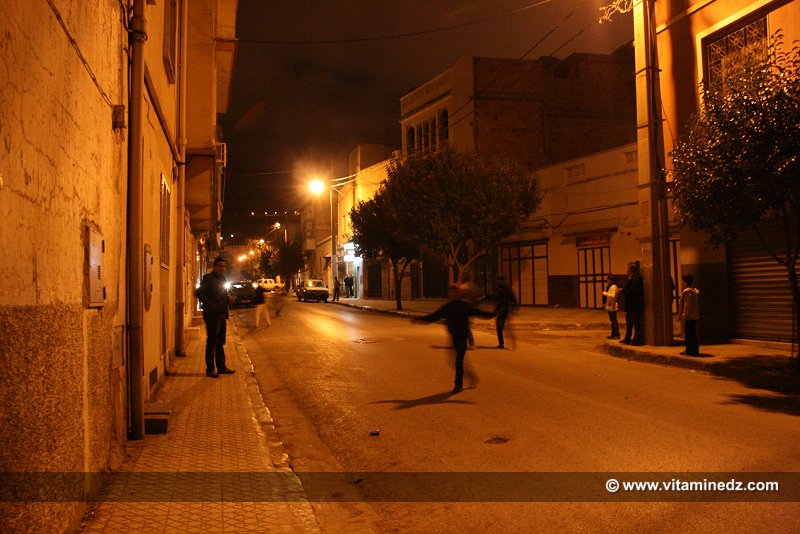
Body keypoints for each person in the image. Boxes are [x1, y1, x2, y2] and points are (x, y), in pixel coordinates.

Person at [414, 284, 495, 393]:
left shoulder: (464, 306)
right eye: (451, 292)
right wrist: (419, 319)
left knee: (458, 361)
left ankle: (458, 385)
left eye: (455, 292)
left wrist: (493, 314)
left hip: (462, 336)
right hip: (454, 337)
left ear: (459, 294)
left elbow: (478, 313)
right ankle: (471, 377)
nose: (452, 294)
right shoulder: (447, 307)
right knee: (456, 361)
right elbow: (434, 316)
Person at [195, 257, 236, 378]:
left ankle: (222, 367)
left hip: (222, 314)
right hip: (212, 315)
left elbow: (221, 295)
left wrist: (229, 299)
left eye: (223, 267)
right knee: (212, 342)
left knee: (220, 342)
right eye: (220, 266)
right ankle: (210, 369)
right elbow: (199, 293)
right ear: (214, 267)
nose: (222, 269)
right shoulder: (208, 279)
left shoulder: (222, 278)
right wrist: (210, 305)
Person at [482, 275, 518, 349]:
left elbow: (492, 296)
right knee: (504, 326)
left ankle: (501, 343)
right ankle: (510, 337)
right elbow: (513, 299)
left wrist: (484, 298)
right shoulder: (507, 288)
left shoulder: (498, 288)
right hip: (506, 309)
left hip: (500, 310)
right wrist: (514, 309)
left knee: (499, 327)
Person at [620, 261, 644, 346]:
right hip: (631, 305)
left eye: (627, 268)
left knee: (635, 323)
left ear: (631, 270)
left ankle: (636, 339)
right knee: (629, 323)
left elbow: (633, 291)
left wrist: (623, 291)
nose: (626, 270)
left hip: (634, 305)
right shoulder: (632, 277)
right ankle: (628, 338)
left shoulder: (636, 278)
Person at [679, 273, 701, 356]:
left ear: (685, 282)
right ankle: (694, 349)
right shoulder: (693, 290)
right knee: (692, 333)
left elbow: (687, 305)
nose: (681, 282)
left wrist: (684, 315)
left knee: (688, 334)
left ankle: (689, 350)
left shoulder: (687, 291)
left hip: (689, 316)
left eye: (682, 281)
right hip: (694, 316)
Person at [602, 275, 620, 340]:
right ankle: (614, 333)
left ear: (610, 280)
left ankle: (616, 334)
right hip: (611, 305)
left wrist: (605, 293)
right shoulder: (612, 286)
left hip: (612, 306)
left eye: (607, 280)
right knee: (613, 321)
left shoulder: (613, 287)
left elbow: (612, 296)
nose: (607, 281)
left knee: (614, 321)